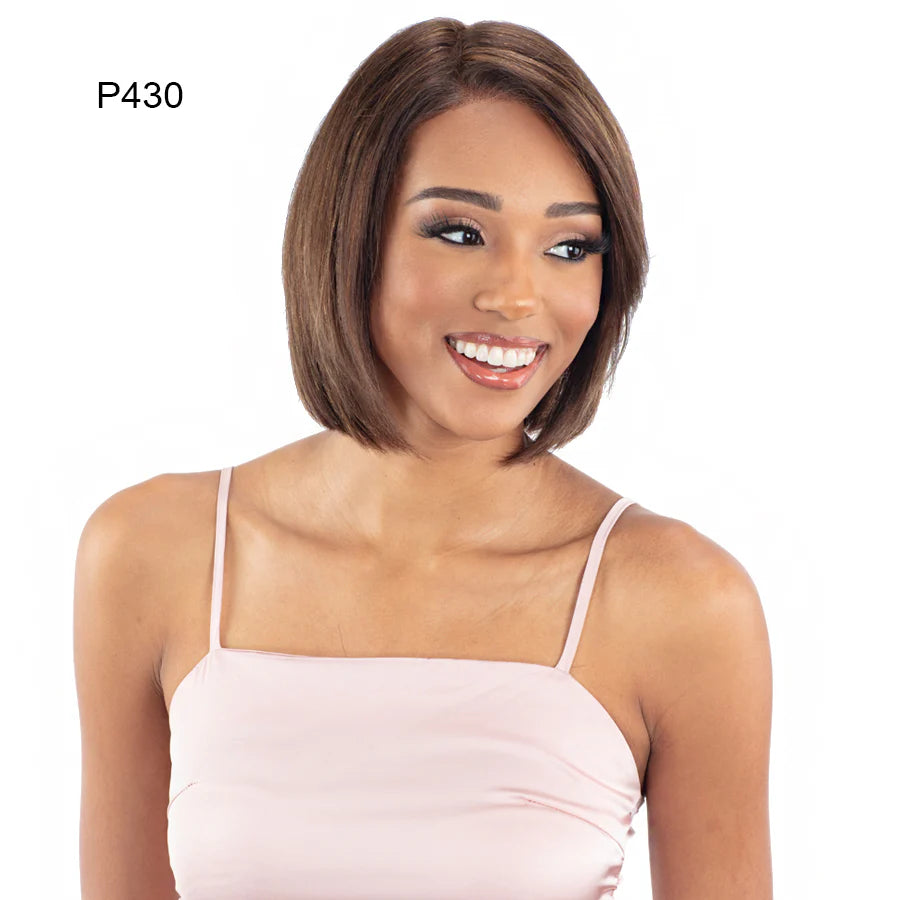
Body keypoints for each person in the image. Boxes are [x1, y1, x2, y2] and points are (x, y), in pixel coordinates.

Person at [74, 17, 773, 899]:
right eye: (459, 232)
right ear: (348, 235)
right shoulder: (151, 552)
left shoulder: (686, 603)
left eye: (569, 247)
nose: (516, 297)